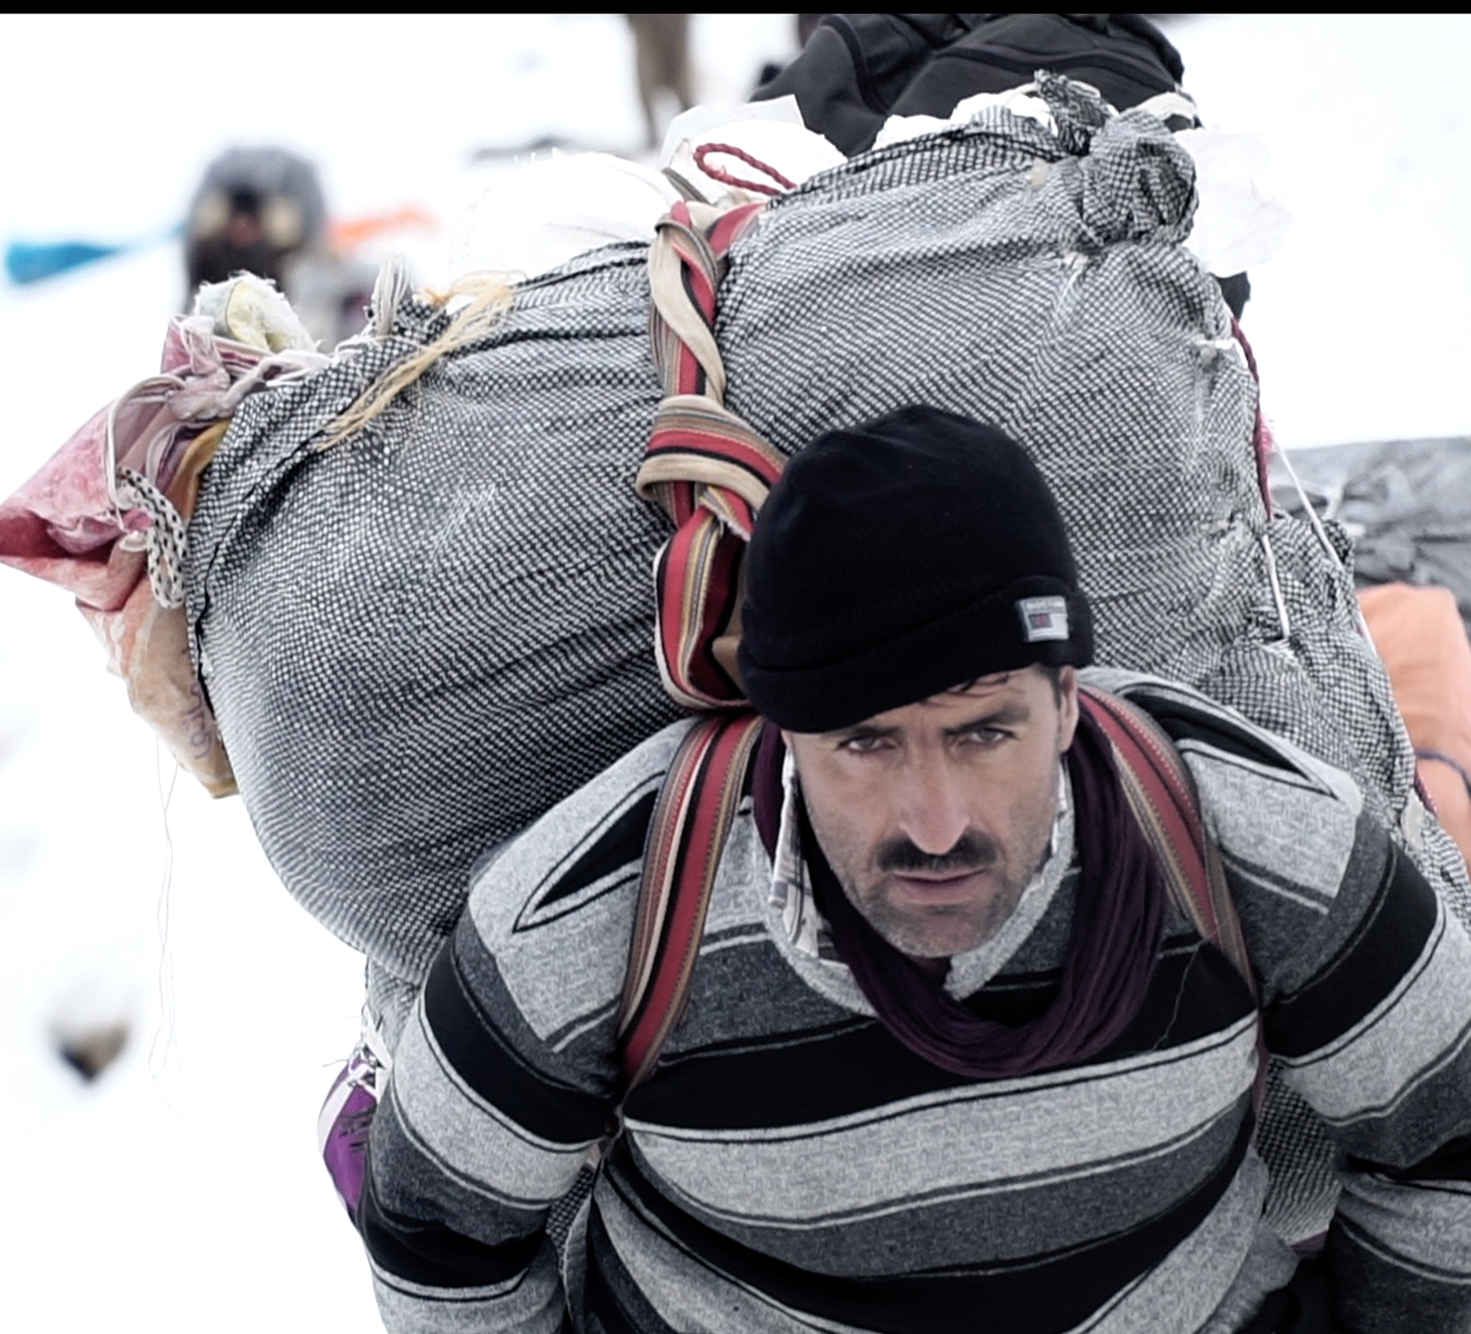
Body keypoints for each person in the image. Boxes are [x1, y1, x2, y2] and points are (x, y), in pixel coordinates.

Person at [357, 406, 1471, 1332]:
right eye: (864, 743)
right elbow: (437, 1236)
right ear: (781, 731)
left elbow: (1451, 1135)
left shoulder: (1247, 837)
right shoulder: (600, 915)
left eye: (984, 732)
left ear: (1068, 700)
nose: (935, 825)